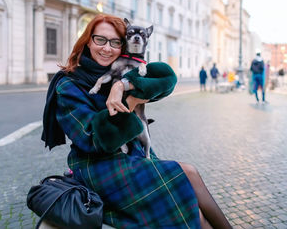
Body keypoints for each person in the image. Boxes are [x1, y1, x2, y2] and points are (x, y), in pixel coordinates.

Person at [41, 14, 232, 229]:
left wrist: (123, 86)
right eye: (100, 40)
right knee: (188, 181)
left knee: (192, 203)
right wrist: (130, 104)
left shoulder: (123, 70)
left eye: (115, 42)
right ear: (87, 41)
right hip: (98, 166)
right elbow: (94, 138)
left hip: (134, 154)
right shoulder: (68, 84)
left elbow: (167, 78)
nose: (107, 48)